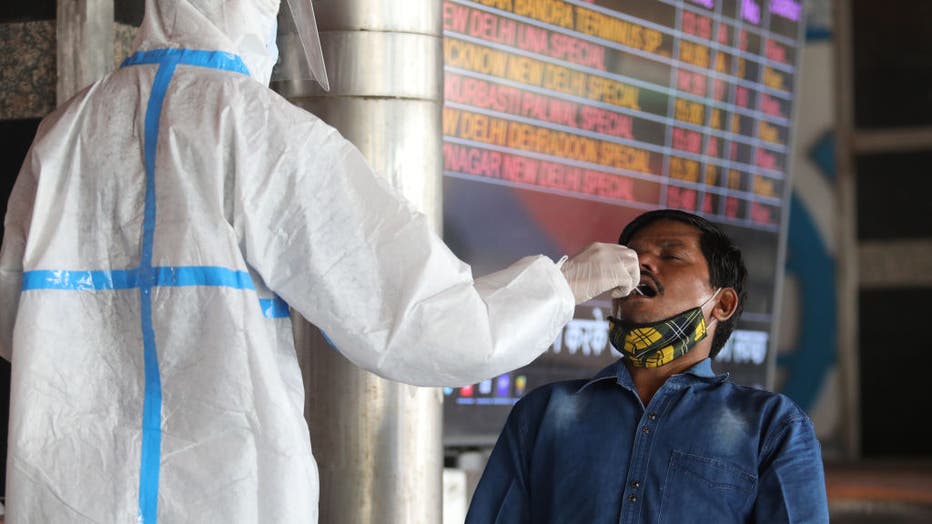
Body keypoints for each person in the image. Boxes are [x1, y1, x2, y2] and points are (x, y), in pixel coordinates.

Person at [0, 0, 641, 522]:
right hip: (227, 498)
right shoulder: (257, 129)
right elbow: (422, 322)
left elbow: (14, 324)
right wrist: (562, 285)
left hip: (66, 495)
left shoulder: (66, 132)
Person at [466, 209, 830, 523]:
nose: (640, 265)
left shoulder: (771, 425)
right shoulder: (544, 412)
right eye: (631, 256)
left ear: (722, 304)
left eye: (671, 256)